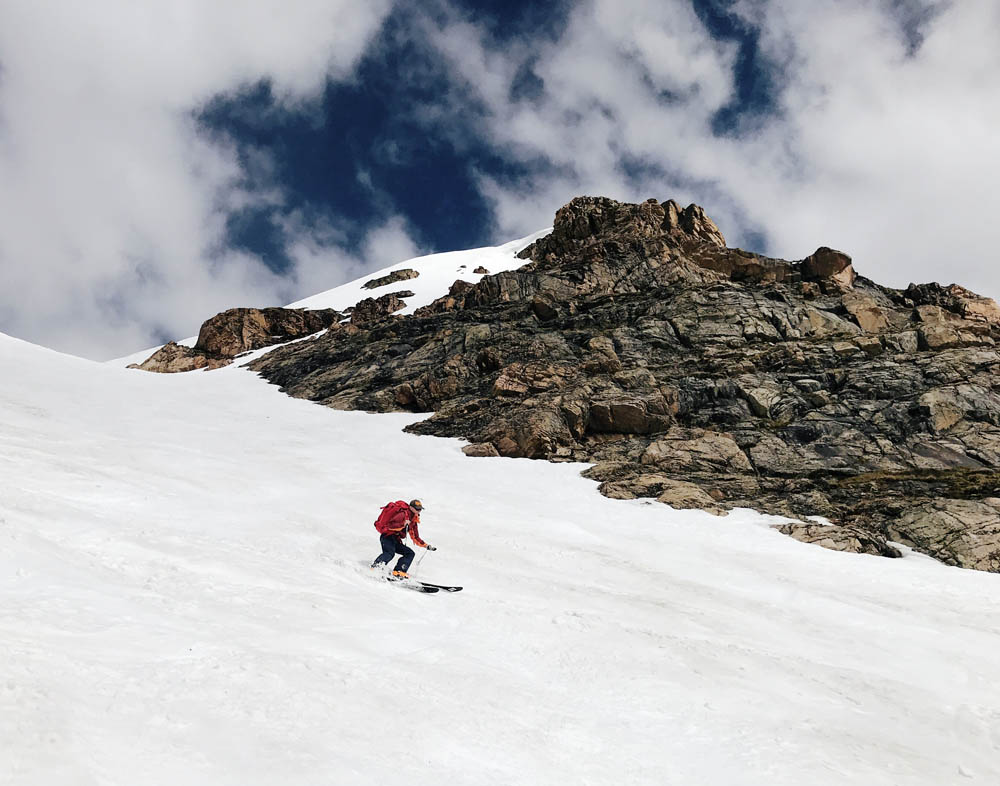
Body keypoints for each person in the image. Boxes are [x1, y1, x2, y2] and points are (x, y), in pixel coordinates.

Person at [371, 499, 436, 578]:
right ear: (411, 507)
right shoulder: (403, 514)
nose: (419, 511)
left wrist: (426, 545)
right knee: (389, 553)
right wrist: (403, 524)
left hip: (396, 539)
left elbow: (415, 536)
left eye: (420, 509)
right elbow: (389, 526)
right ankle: (376, 567)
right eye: (417, 509)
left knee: (410, 553)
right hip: (387, 537)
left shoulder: (413, 519)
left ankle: (399, 572)